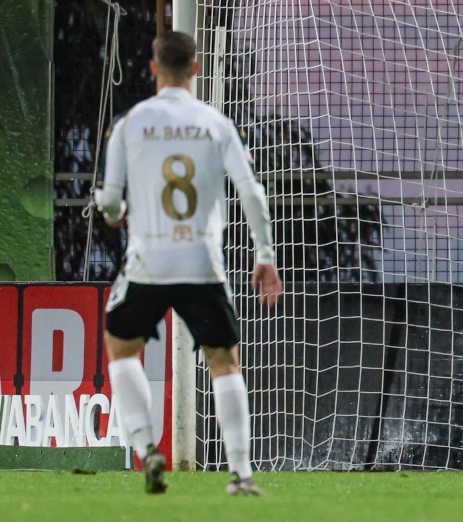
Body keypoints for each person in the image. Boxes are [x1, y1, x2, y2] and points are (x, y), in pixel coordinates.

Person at [95, 30, 282, 495]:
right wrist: (265, 256)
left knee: (120, 346)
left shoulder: (129, 124)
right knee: (224, 361)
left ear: (154, 68)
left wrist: (115, 213)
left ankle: (146, 449)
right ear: (196, 69)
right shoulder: (217, 124)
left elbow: (111, 204)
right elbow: (252, 192)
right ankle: (241, 474)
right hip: (201, 262)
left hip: (150, 263)